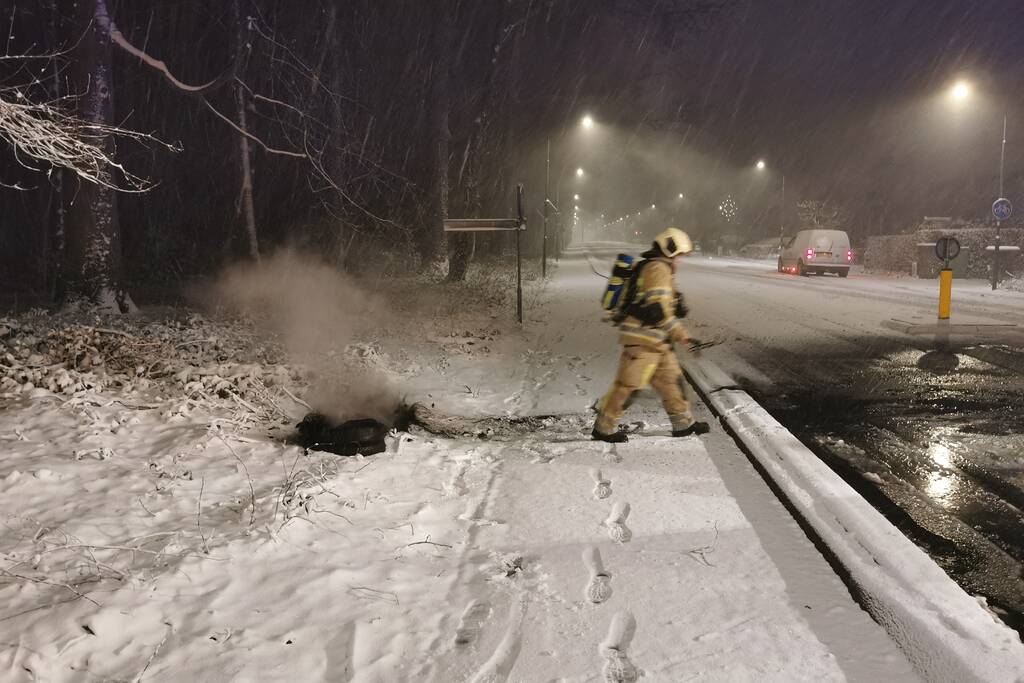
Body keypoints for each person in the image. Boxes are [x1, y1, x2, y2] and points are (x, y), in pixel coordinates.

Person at [592, 227, 710, 443]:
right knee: (628, 387)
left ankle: (683, 424)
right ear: (671, 250)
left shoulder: (657, 267)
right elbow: (657, 310)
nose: (681, 260)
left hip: (657, 341)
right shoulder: (657, 268)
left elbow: (662, 303)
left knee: (672, 382)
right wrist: (681, 334)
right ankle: (603, 428)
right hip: (642, 341)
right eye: (681, 255)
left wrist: (677, 304)